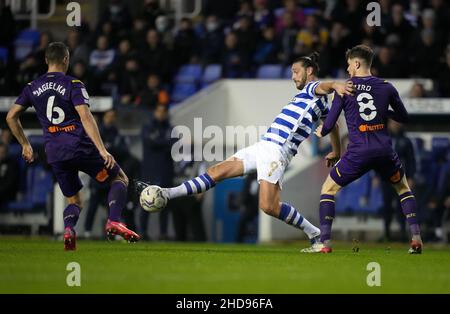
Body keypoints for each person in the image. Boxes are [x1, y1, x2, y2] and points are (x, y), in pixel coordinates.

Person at [136, 52, 354, 246]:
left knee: (268, 206)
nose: (293, 77)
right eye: (291, 73)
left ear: (309, 71)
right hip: (262, 145)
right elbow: (333, 126)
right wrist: (336, 151)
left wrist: (335, 84)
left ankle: (314, 233)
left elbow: (323, 87)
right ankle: (167, 193)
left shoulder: (311, 89)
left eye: (296, 72)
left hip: (277, 151)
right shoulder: (320, 105)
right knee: (215, 172)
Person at [6, 42, 139, 250]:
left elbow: (11, 116)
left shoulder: (32, 87)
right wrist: (102, 150)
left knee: (75, 200)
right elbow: (86, 117)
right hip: (79, 146)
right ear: (66, 60)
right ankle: (113, 220)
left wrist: (25, 144)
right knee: (119, 178)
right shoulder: (73, 83)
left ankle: (68, 230)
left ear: (46, 60)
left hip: (55, 152)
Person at [302, 45, 423, 254]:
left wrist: (321, 131)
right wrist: (384, 113)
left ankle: (325, 243)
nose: (348, 69)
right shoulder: (387, 87)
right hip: (384, 151)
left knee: (328, 189)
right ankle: (416, 240)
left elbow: (330, 123)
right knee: (403, 189)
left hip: (359, 152)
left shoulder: (345, 88)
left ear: (357, 64)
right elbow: (404, 117)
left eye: (349, 65)